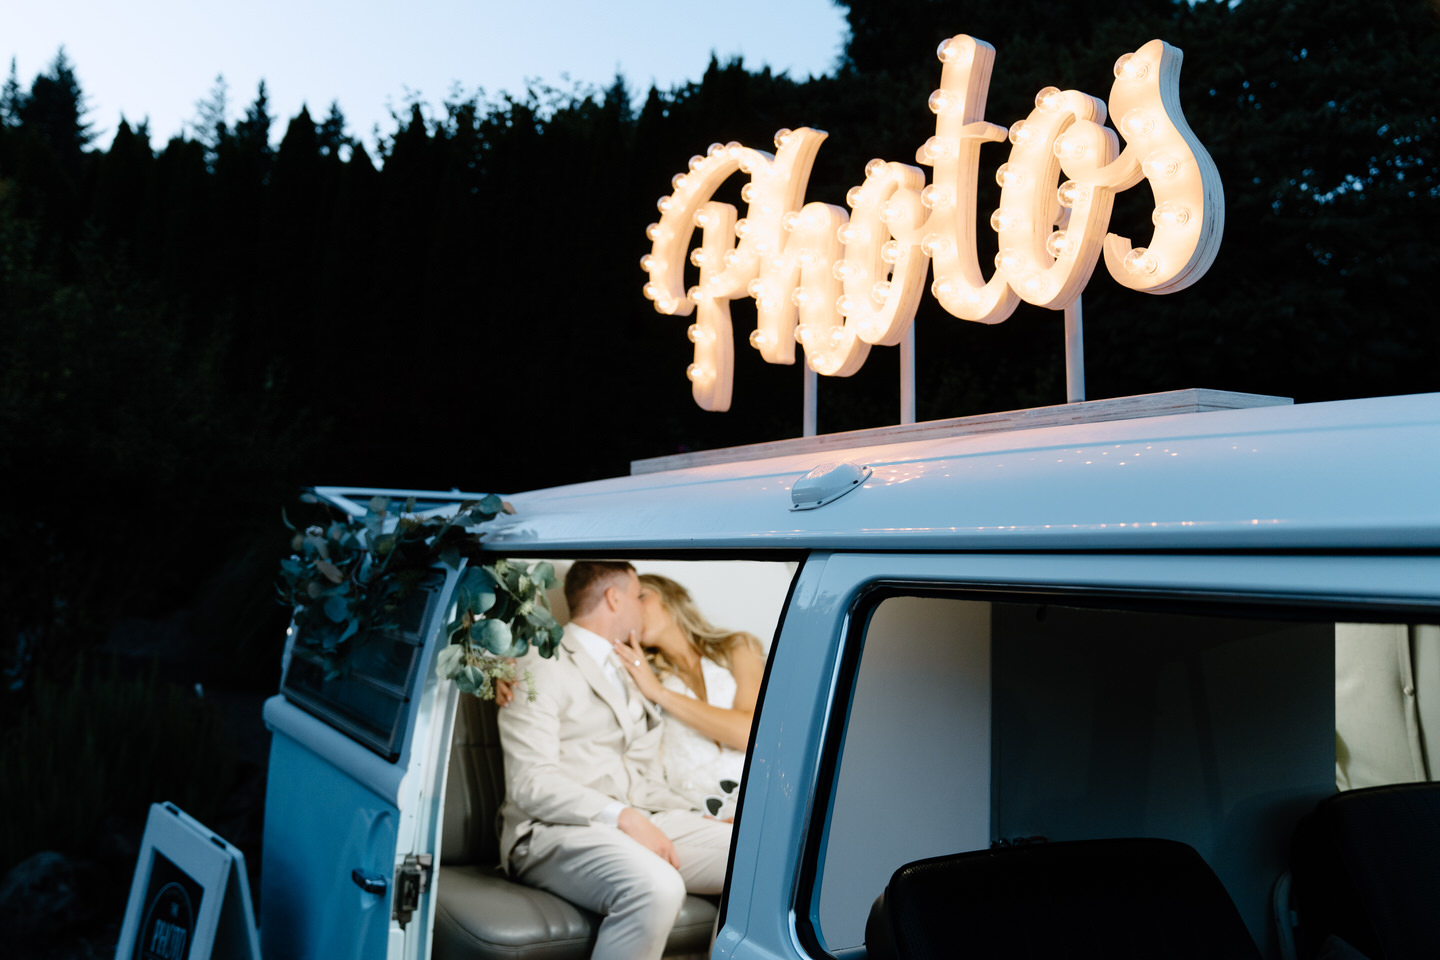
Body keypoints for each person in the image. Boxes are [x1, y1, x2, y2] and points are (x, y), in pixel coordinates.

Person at [495, 561, 733, 960]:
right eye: (638, 596)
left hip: (640, 815)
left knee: (758, 858)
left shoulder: (631, 667)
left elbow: (636, 767)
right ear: (613, 597)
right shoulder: (537, 664)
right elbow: (529, 782)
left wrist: (697, 813)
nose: (642, 607)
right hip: (555, 828)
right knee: (658, 887)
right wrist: (622, 815)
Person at [611, 573, 766, 820]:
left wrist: (659, 693)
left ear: (672, 598)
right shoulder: (639, 679)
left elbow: (750, 733)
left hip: (765, 800)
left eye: (641, 596)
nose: (634, 608)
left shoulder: (738, 647)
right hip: (703, 822)